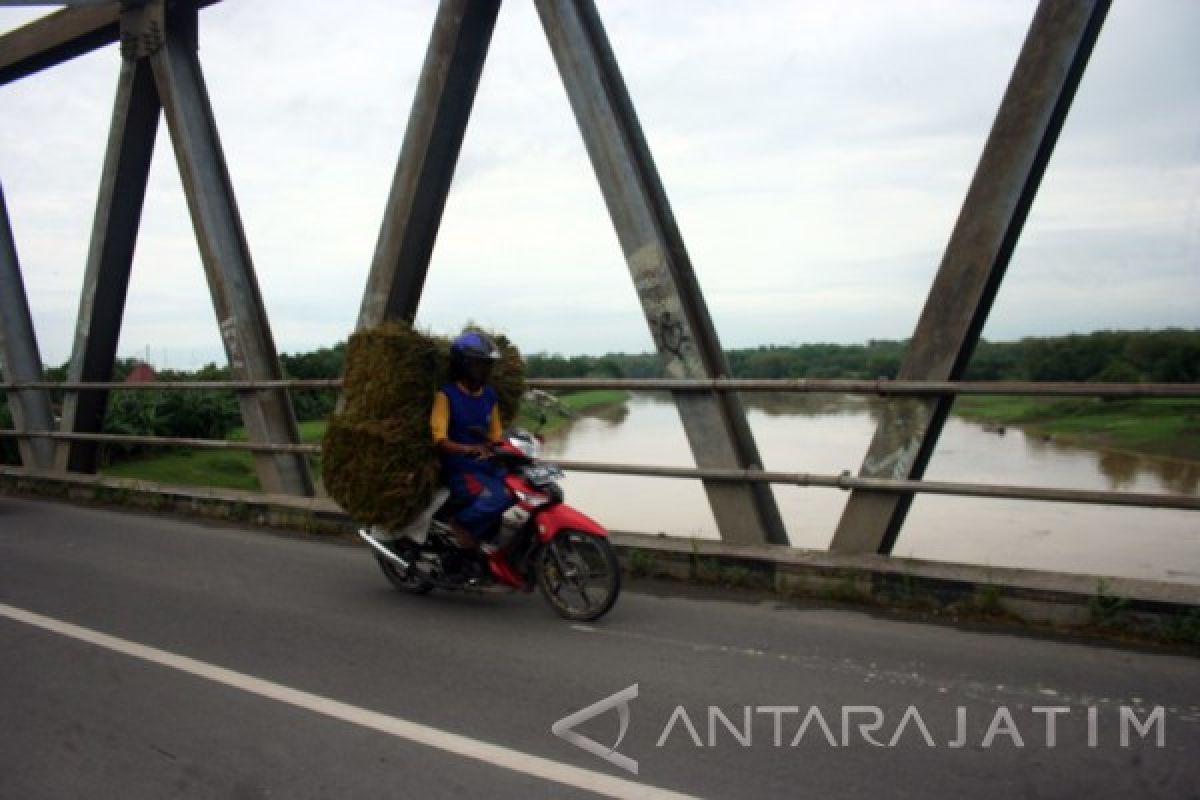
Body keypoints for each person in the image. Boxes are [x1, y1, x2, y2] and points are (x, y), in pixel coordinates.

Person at [430, 331, 513, 552]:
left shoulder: (489, 396)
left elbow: (496, 435)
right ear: (463, 365)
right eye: (479, 365)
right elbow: (440, 441)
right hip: (461, 469)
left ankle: (488, 541)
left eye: (487, 365)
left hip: (486, 465)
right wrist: (468, 449)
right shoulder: (446, 396)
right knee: (498, 498)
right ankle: (460, 524)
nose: (484, 370)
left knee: (519, 490)